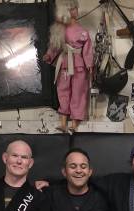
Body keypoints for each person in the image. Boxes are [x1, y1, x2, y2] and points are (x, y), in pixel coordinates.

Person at [43, 0, 93, 133]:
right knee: (63, 91)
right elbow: (55, 45)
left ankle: (75, 123)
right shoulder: (60, 29)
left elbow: (87, 49)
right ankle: (63, 122)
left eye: (75, 8)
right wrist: (49, 55)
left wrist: (89, 63)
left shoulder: (83, 31)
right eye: (72, 9)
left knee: (78, 92)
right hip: (64, 64)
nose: (75, 11)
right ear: (65, 11)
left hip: (79, 66)